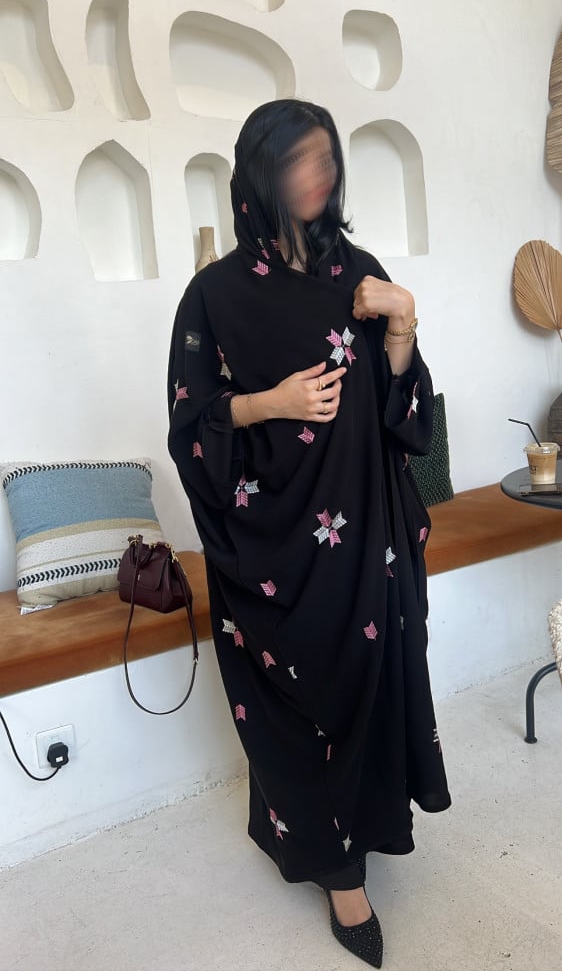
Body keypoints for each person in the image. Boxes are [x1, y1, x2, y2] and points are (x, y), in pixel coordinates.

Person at [167, 98, 452, 968]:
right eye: (300, 159)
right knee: (294, 703)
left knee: (369, 683)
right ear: (262, 174)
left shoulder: (360, 274)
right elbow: (190, 429)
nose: (320, 173)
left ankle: (362, 831)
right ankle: (336, 873)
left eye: (328, 156)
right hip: (273, 547)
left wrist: (402, 325)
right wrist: (270, 403)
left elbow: (406, 418)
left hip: (371, 535)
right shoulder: (213, 295)